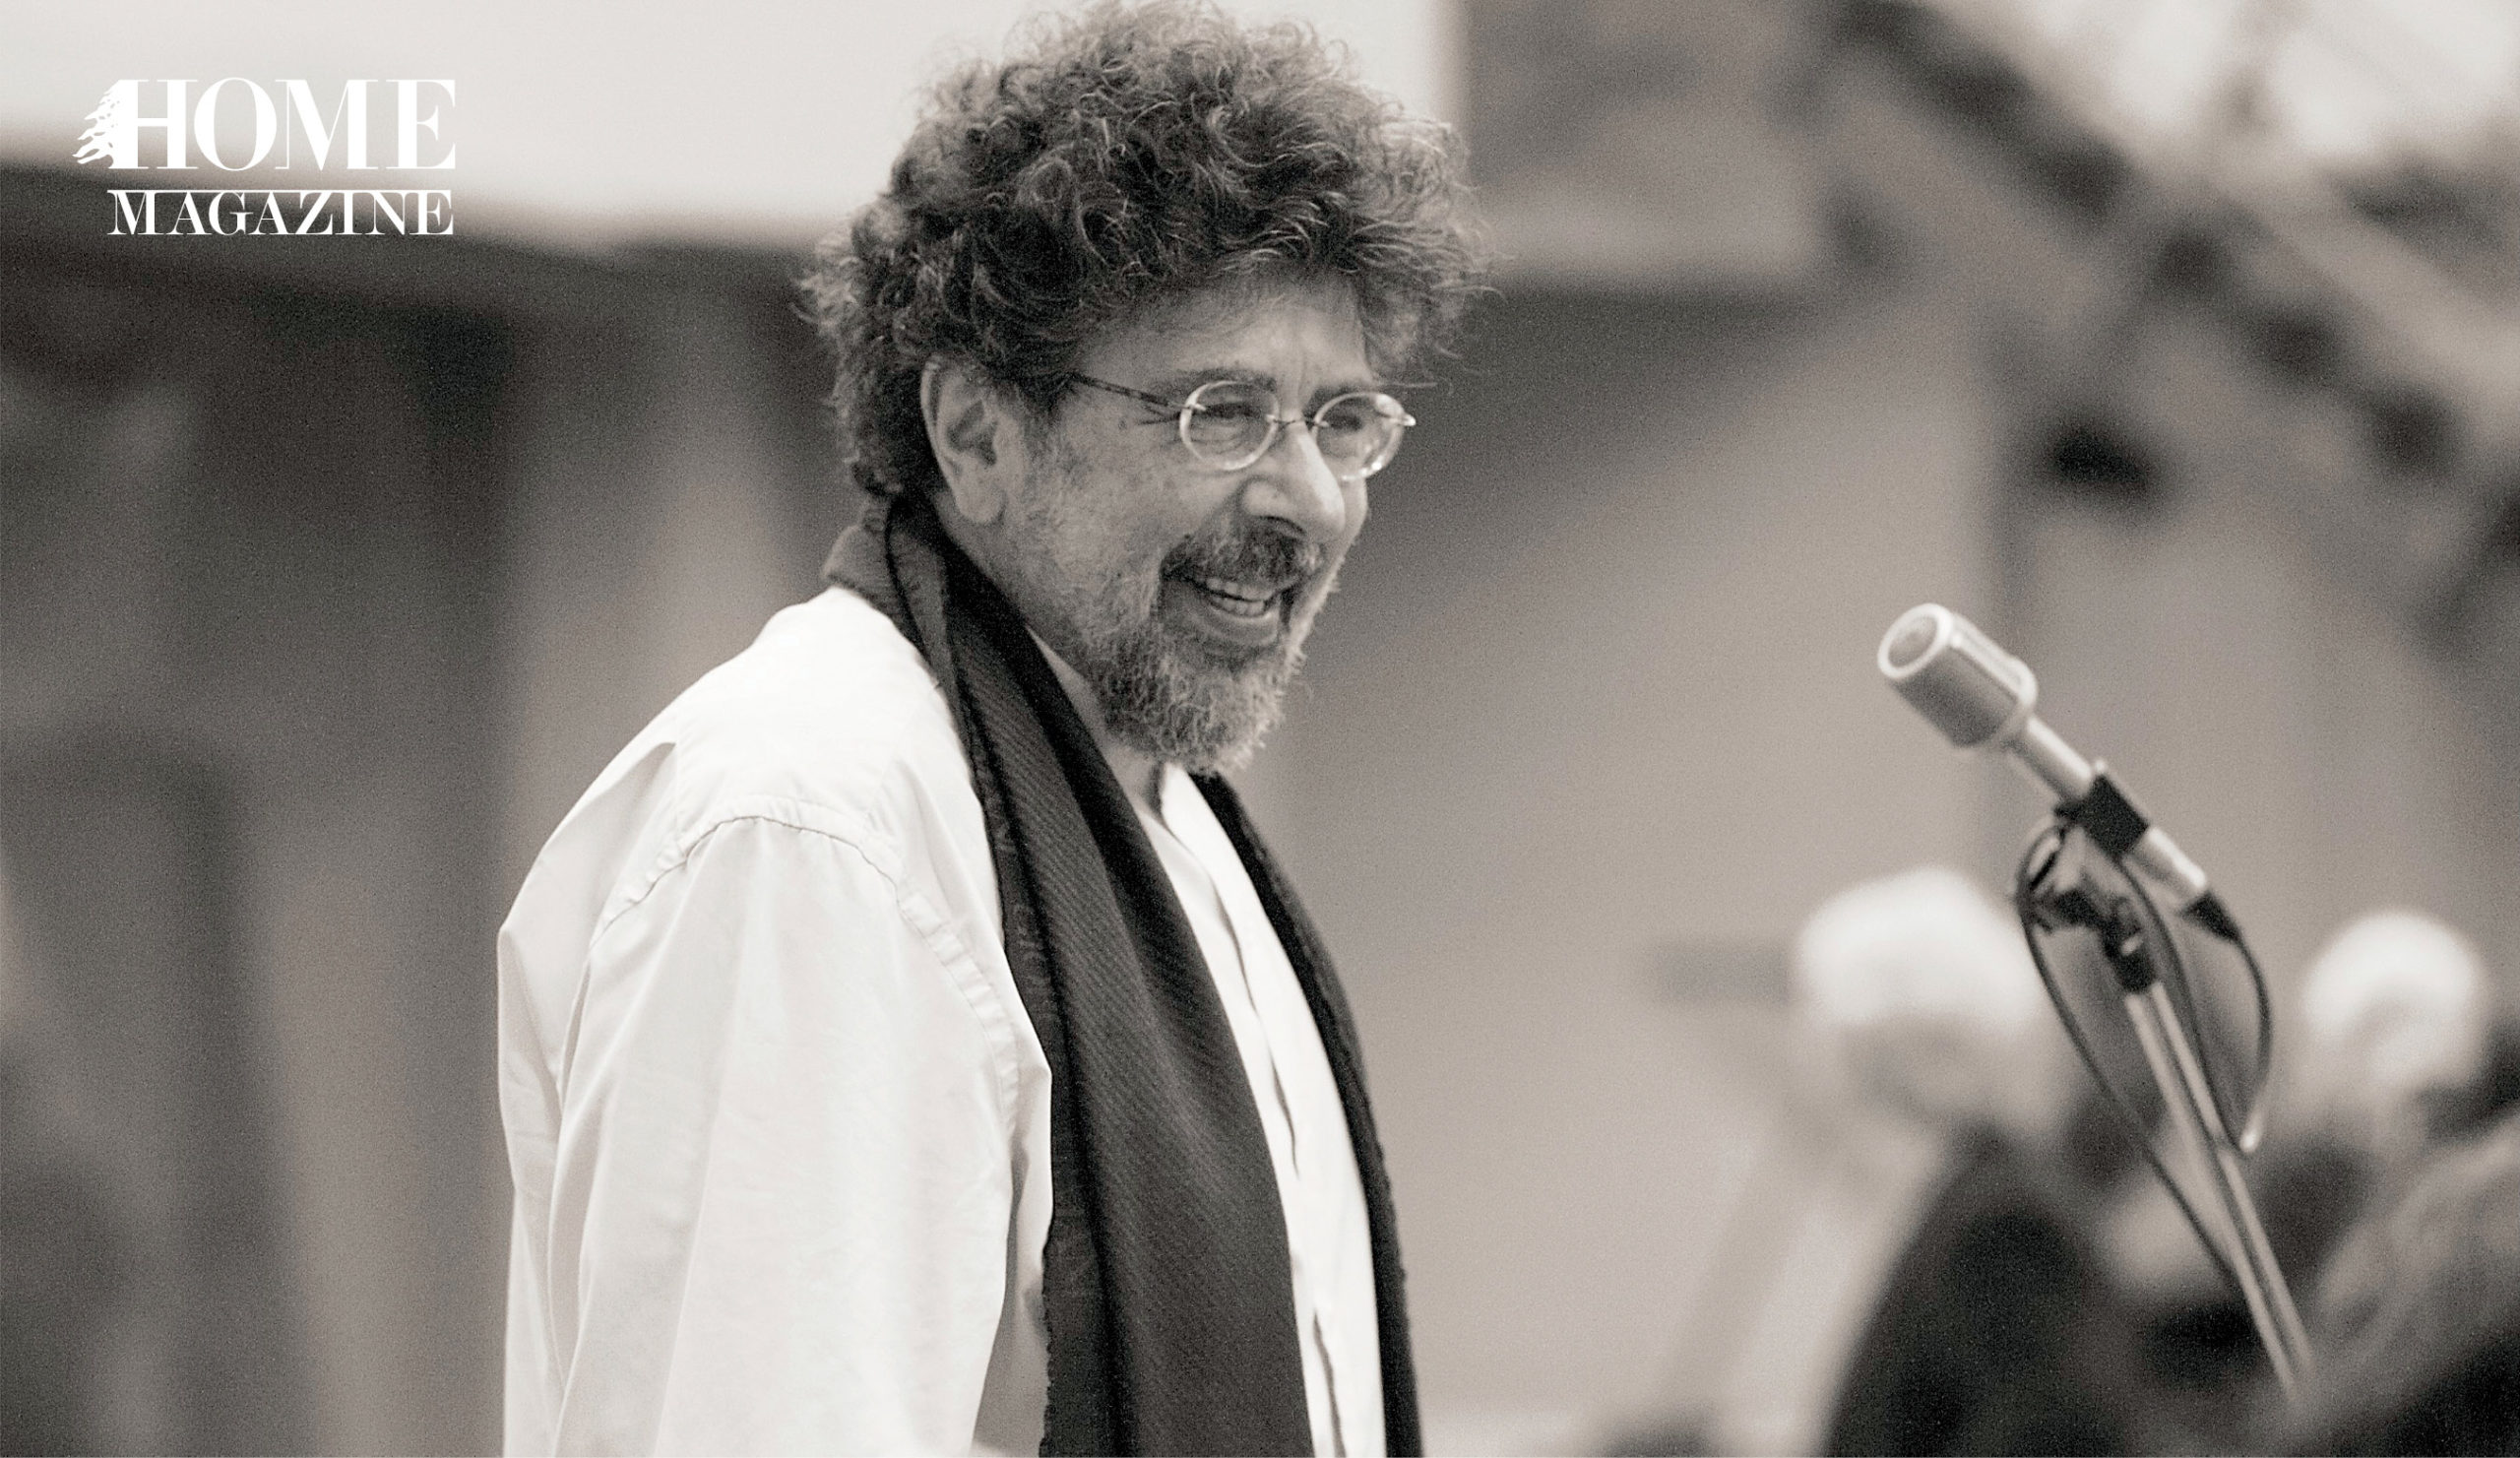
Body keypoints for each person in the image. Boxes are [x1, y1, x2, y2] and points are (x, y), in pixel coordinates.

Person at [495, 4, 1483, 1454]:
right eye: (1221, 413)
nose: (1313, 503)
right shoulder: (821, 827)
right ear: (975, 430)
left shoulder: (1170, 820)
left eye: (1341, 421)